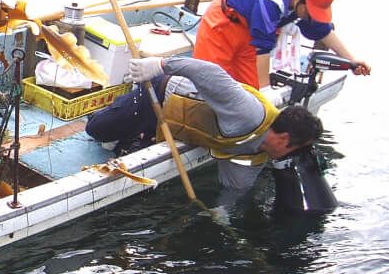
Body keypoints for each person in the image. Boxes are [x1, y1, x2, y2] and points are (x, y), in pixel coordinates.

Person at [85, 55, 324, 196]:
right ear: (283, 139)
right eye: (298, 150)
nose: (295, 157)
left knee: (129, 151)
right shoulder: (247, 113)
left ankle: (136, 132)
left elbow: (235, 188)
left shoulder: (256, 157)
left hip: (170, 126)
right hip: (158, 94)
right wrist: (159, 64)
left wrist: (223, 213)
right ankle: (123, 104)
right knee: (96, 130)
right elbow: (208, 71)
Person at [192, 0, 371, 89]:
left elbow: (323, 31)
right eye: (311, 12)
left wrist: (352, 61)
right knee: (212, 84)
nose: (311, 17)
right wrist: (268, 97)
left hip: (248, 36)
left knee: (249, 92)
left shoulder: (302, 6)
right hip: (222, 26)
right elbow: (262, 51)